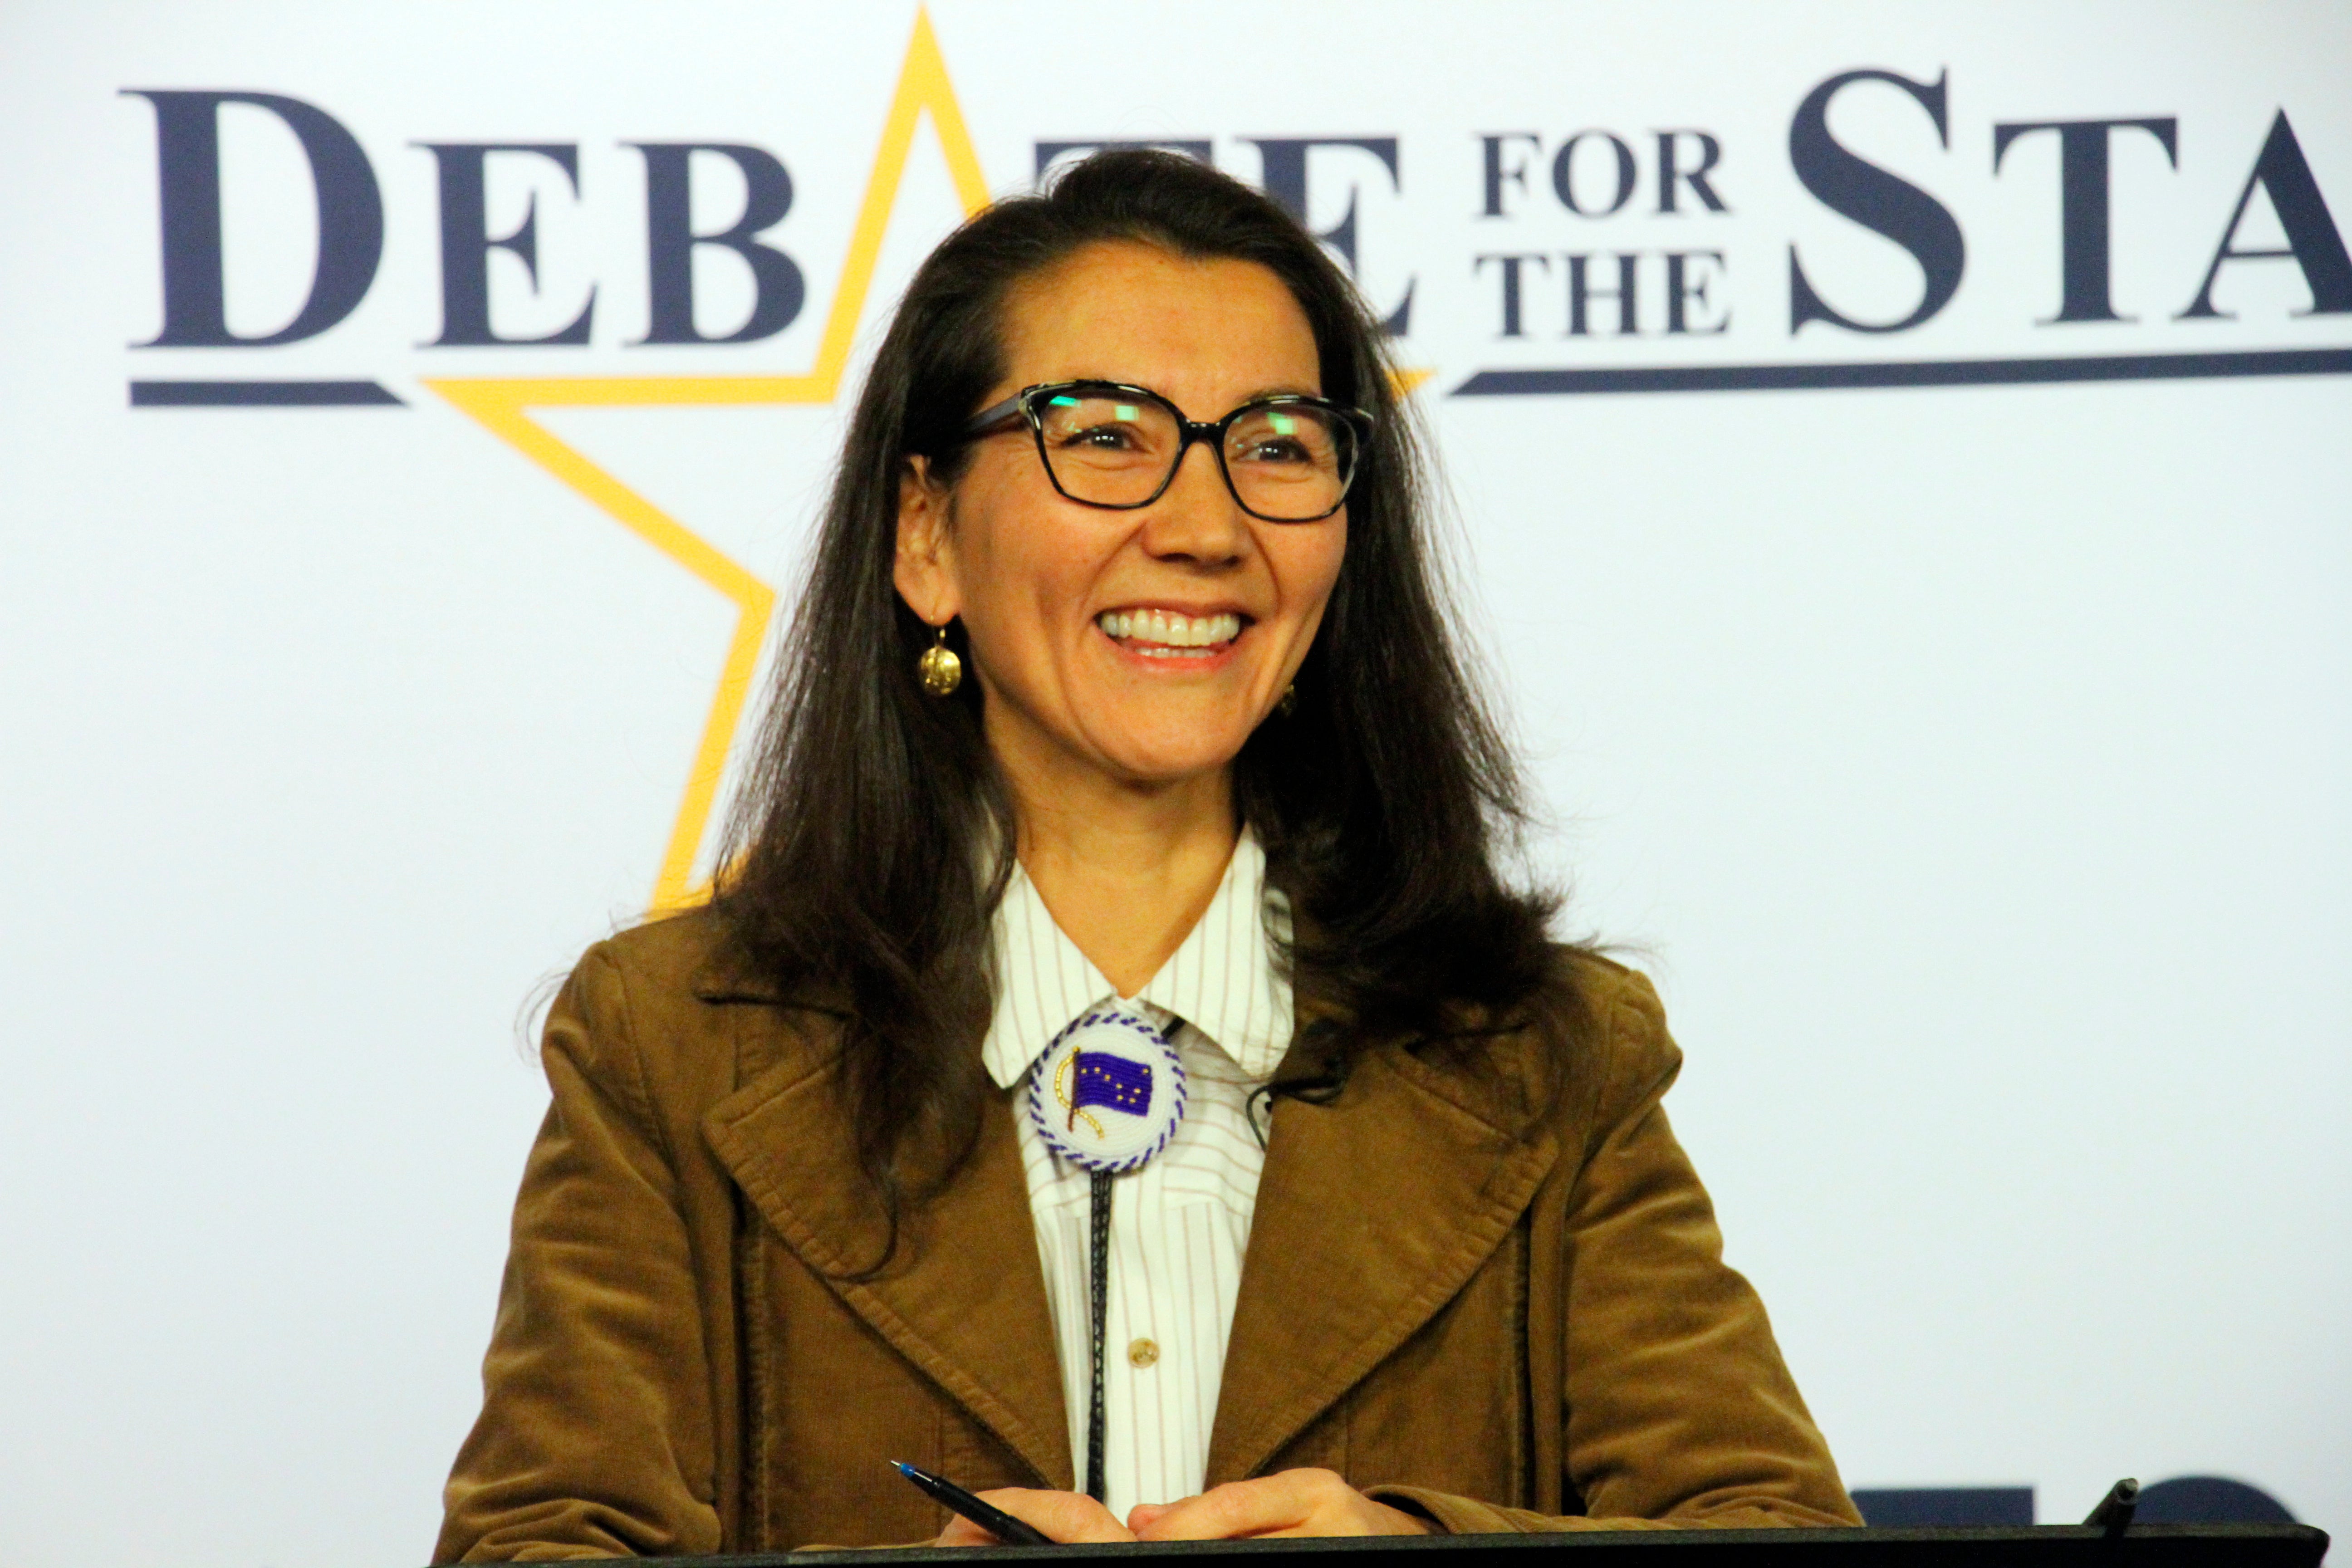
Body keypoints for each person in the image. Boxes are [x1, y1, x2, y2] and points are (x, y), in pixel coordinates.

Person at [434, 149, 1858, 1560]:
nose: (1205, 527)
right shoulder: (670, 1047)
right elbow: (539, 1551)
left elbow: (1771, 1533)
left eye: (1278, 448)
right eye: (1106, 435)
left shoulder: (1548, 1053)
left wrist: (1424, 1555)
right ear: (926, 534)